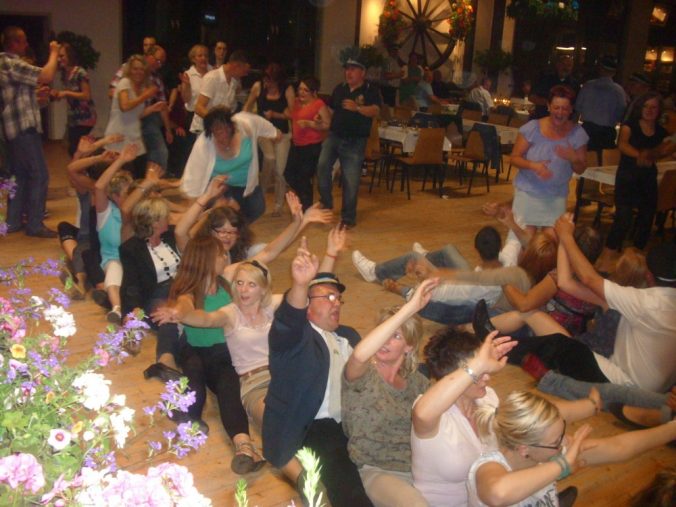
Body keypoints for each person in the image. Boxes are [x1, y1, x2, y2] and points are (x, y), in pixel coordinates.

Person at [507, 214, 676, 394]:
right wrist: (564, 239)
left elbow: (585, 279)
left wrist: (565, 236)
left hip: (624, 383)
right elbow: (566, 282)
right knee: (555, 340)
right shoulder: (641, 300)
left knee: (558, 344)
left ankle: (502, 348)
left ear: (649, 276)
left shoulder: (642, 302)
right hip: (657, 386)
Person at [263, 239, 374, 507]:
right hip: (315, 425)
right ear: (307, 305)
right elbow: (289, 319)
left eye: (339, 298)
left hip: (355, 420)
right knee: (349, 491)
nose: (337, 304)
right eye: (329, 298)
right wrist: (300, 284)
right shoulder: (296, 339)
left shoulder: (348, 335)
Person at [152, 235, 266, 473]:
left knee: (229, 388)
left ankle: (244, 447)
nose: (226, 256)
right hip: (194, 352)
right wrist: (177, 313)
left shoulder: (227, 281)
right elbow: (184, 305)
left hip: (223, 354)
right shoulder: (189, 291)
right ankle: (187, 417)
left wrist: (299, 224)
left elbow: (267, 255)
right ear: (206, 260)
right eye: (220, 254)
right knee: (194, 383)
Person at [467, 390, 676, 506]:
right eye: (556, 441)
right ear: (523, 449)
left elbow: (619, 447)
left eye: (563, 433)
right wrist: (563, 464)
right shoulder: (487, 467)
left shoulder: (543, 454)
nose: (565, 442)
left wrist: (672, 428)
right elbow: (497, 494)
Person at [342, 279, 438, 507]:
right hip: (376, 470)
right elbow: (359, 355)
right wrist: (410, 308)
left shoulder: (418, 383)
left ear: (409, 346)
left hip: (418, 469)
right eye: (383, 333)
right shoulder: (363, 375)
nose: (385, 341)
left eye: (396, 336)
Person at [411, 327, 519, 506]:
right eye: (479, 372)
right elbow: (422, 414)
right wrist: (477, 366)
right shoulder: (433, 412)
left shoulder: (488, 397)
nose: (487, 378)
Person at [352, 227, 506, 324]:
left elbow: (436, 292)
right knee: (448, 250)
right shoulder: (506, 263)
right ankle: (426, 257)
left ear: (476, 250)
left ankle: (374, 272)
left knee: (412, 258)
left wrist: (423, 276)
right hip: (471, 285)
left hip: (460, 303)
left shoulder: (470, 288)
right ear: (500, 247)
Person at [1, 26, 60, 238]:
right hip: (22, 129)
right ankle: (35, 224)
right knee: (40, 175)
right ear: (14, 43)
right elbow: (47, 75)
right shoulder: (9, 62)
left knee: (21, 176)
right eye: (24, 41)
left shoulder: (7, 65)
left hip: (15, 129)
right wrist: (54, 52)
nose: (27, 45)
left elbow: (18, 100)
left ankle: (14, 221)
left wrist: (38, 98)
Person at [181, 106, 281, 222]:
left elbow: (267, 128)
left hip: (246, 182)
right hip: (220, 186)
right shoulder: (204, 143)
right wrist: (193, 211)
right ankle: (226, 229)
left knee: (257, 209)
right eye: (216, 132)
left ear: (232, 125)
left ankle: (237, 230)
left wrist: (273, 134)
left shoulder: (246, 124)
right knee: (226, 214)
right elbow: (193, 177)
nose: (222, 137)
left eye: (225, 130)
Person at [510, 85, 588, 232]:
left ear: (571, 110)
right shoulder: (532, 128)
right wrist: (534, 165)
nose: (560, 112)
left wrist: (573, 158)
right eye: (556, 107)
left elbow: (581, 169)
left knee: (551, 242)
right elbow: (514, 158)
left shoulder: (577, 133)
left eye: (565, 108)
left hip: (556, 197)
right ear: (548, 106)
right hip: (527, 193)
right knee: (522, 240)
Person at [605, 92, 675, 251]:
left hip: (648, 177)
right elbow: (622, 145)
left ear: (659, 110)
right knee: (623, 217)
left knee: (647, 217)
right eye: (646, 106)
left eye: (653, 107)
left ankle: (636, 252)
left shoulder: (661, 131)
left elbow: (665, 149)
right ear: (640, 108)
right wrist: (641, 155)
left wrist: (658, 155)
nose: (649, 110)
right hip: (627, 176)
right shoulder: (629, 126)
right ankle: (610, 251)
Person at [316, 57, 381, 228]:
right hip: (334, 136)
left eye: (353, 69)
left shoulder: (370, 90)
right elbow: (331, 109)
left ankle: (348, 218)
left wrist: (357, 108)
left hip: (355, 141)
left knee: (350, 180)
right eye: (347, 69)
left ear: (362, 73)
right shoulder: (340, 88)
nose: (348, 72)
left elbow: (375, 110)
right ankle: (326, 203)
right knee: (322, 166)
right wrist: (320, 117)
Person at [119, 196, 181, 367]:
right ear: (154, 222)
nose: (169, 218)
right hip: (157, 293)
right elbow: (131, 283)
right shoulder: (132, 248)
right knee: (167, 318)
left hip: (182, 289)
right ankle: (165, 359)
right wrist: (133, 310)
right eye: (165, 216)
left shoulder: (173, 235)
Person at [94, 144, 138, 324]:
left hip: (135, 262)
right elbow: (99, 187)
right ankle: (116, 309)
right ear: (116, 196)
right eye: (128, 193)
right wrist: (121, 160)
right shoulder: (106, 212)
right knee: (114, 270)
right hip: (113, 259)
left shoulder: (138, 212)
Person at [243, 63, 295, 216]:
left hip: (282, 134)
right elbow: (246, 108)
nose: (267, 83)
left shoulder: (287, 89)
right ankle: (261, 191)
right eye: (265, 80)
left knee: (280, 171)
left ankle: (278, 205)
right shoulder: (258, 87)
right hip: (263, 133)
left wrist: (276, 115)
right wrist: (249, 125)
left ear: (278, 81)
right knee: (270, 158)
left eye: (270, 81)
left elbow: (293, 114)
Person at [284, 75, 331, 211]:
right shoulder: (296, 102)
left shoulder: (318, 104)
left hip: (311, 147)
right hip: (296, 145)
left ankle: (306, 209)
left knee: (304, 178)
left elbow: (327, 124)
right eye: (300, 89)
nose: (301, 92)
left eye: (305, 90)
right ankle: (304, 200)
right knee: (289, 174)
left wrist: (310, 124)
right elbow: (288, 112)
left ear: (313, 92)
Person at [104, 55, 162, 160]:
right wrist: (145, 96)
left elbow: (136, 115)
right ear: (129, 70)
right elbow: (125, 107)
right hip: (119, 136)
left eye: (141, 69)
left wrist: (153, 108)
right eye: (135, 69)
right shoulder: (124, 82)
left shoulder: (142, 88)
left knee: (137, 168)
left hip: (133, 136)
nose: (138, 72)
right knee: (119, 169)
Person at [51, 42, 97, 156]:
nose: (59, 59)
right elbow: (71, 95)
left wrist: (66, 93)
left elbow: (86, 95)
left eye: (62, 56)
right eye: (58, 56)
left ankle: (88, 166)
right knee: (73, 149)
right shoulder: (65, 74)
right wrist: (58, 94)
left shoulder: (80, 72)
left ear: (70, 56)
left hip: (85, 117)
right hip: (74, 117)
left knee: (75, 150)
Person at [575, 55, 627, 155]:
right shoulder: (619, 91)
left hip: (588, 129)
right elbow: (621, 112)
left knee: (585, 157)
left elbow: (578, 108)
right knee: (604, 159)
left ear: (600, 70)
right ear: (614, 73)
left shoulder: (588, 86)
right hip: (607, 132)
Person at [193, 50, 250, 133]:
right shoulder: (212, 77)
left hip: (221, 130)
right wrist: (218, 123)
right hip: (204, 129)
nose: (245, 75)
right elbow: (198, 108)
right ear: (236, 66)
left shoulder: (234, 82)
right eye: (244, 72)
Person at [530, 53, 578, 119]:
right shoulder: (545, 79)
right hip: (542, 118)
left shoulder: (574, 84)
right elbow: (532, 97)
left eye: (569, 65)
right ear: (557, 65)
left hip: (564, 121)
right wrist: (550, 103)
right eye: (563, 64)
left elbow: (576, 106)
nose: (566, 67)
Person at [180, 44, 211, 137]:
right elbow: (186, 99)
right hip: (193, 117)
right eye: (200, 56)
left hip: (210, 115)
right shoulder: (188, 74)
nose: (203, 58)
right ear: (193, 59)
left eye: (206, 55)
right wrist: (187, 85)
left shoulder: (214, 72)